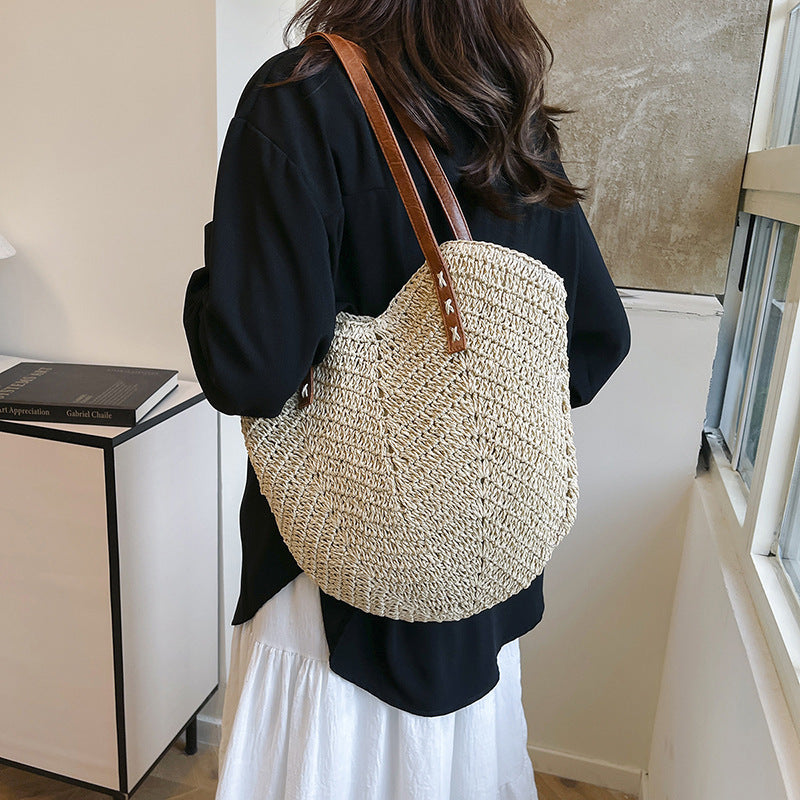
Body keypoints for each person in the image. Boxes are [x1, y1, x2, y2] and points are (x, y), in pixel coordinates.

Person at [183, 1, 631, 798]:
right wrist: (466, 417)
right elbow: (596, 344)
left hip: (332, 585)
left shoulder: (299, 98)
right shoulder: (511, 113)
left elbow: (253, 370)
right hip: (483, 573)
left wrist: (210, 284)